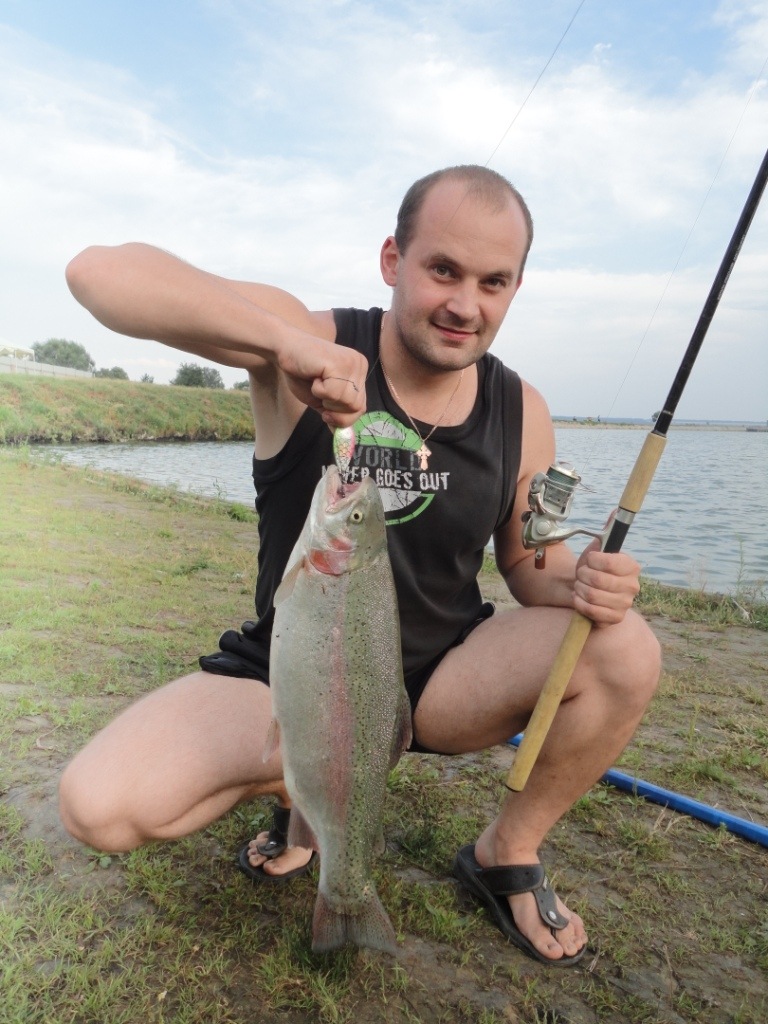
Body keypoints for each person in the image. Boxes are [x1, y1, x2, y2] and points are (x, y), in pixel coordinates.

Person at [60, 165, 661, 967]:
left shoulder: (523, 409)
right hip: (289, 675)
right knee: (98, 805)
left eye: (493, 282)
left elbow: (528, 564)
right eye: (443, 269)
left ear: (515, 288)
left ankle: (506, 853)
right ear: (392, 259)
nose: (465, 304)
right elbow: (97, 273)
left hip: (437, 682)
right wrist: (284, 346)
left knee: (626, 647)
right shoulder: (308, 339)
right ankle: (305, 792)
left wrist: (581, 580)